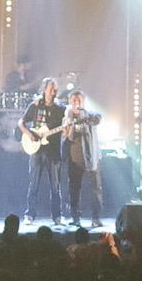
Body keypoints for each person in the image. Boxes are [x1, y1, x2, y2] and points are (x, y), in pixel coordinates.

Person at [18, 77, 65, 226]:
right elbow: (21, 122)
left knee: (55, 186)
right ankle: (29, 215)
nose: (54, 92)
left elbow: (65, 126)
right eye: (51, 89)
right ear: (44, 90)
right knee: (34, 184)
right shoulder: (35, 105)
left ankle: (57, 216)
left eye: (55, 90)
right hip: (36, 150)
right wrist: (29, 134)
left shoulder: (61, 109)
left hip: (53, 151)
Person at [62, 90, 103, 228]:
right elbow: (65, 136)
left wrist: (85, 116)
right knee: (74, 188)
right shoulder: (67, 117)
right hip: (75, 158)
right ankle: (75, 217)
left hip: (92, 157)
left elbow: (98, 118)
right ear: (69, 102)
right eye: (74, 100)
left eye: (79, 100)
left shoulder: (89, 114)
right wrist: (69, 126)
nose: (76, 103)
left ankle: (96, 217)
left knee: (95, 188)